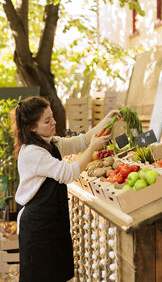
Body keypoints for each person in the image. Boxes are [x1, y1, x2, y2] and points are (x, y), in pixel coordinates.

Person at [12, 96, 121, 282]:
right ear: (32, 127)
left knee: (57, 274)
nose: (54, 122)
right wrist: (93, 147)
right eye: (47, 121)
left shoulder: (49, 142)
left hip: (52, 222)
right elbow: (68, 173)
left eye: (52, 117)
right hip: (37, 227)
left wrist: (106, 120)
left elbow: (81, 141)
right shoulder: (32, 152)